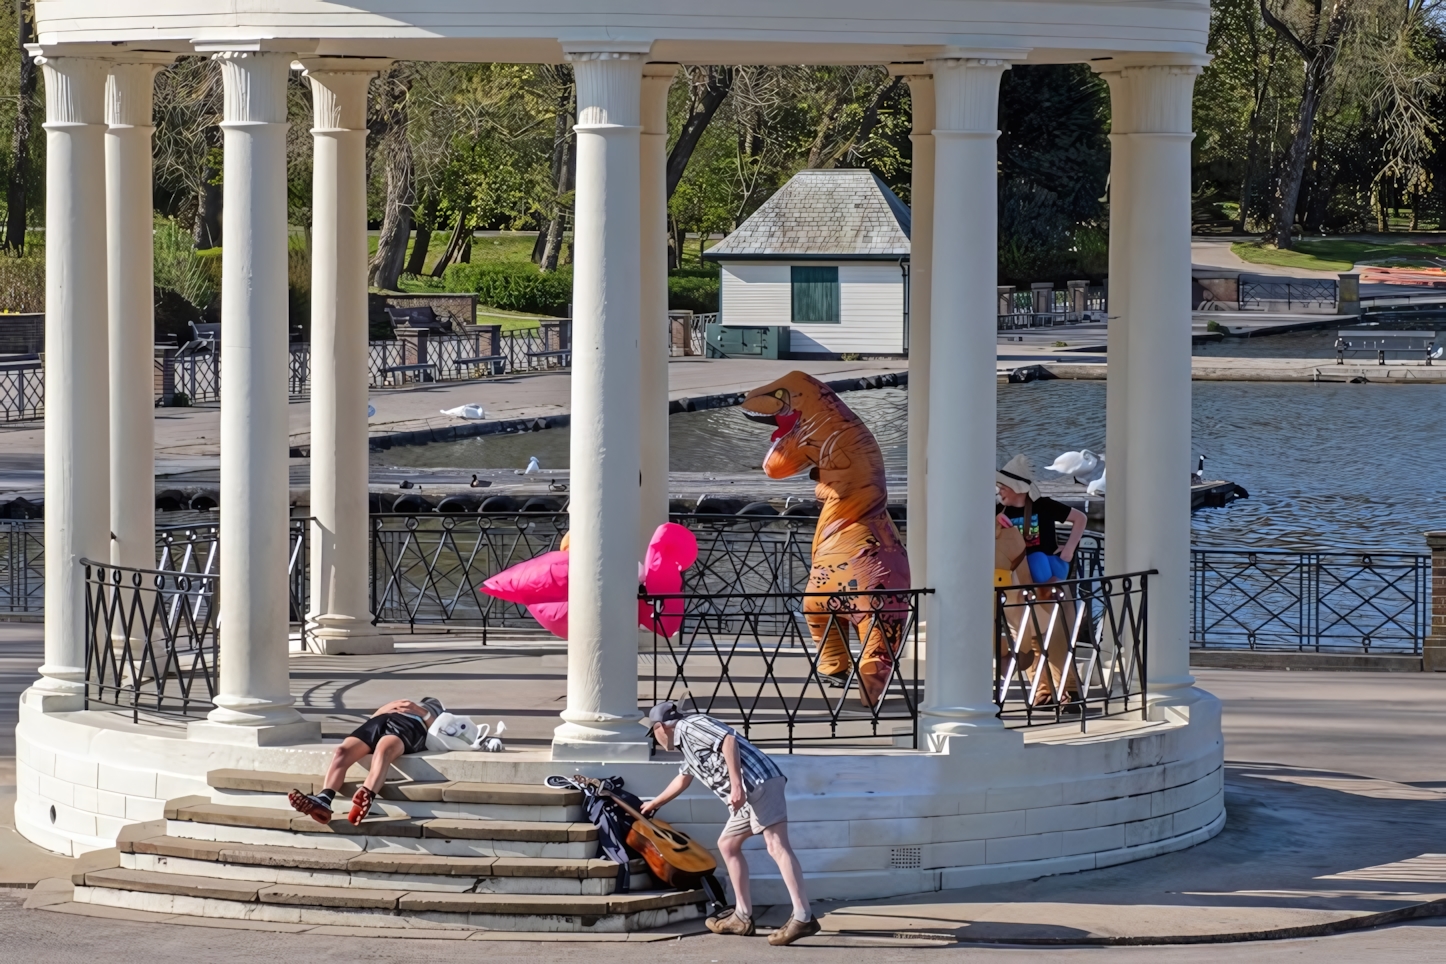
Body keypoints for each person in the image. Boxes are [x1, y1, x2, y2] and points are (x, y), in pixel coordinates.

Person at [639, 702, 819, 946]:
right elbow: (683, 778)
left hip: (758, 783)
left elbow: (728, 740)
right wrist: (654, 803)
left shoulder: (691, 726)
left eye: (654, 734)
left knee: (776, 845)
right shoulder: (687, 746)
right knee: (728, 845)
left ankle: (802, 916)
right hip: (747, 795)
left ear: (661, 727)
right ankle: (742, 917)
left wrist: (736, 786)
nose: (657, 740)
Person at [288, 696, 444, 826]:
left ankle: (367, 793)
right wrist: (385, 709)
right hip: (379, 721)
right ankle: (323, 799)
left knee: (383, 751)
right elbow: (373, 718)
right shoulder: (399, 704)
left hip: (409, 726)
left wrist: (422, 712)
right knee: (342, 751)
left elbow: (440, 733)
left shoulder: (435, 713)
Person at [996, 454, 1087, 584]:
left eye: (1003, 488)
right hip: (1021, 569)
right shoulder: (999, 511)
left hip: (1050, 563)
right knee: (1035, 559)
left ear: (1017, 488)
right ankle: (1048, 597)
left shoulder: (1044, 505)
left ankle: (1046, 597)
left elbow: (1080, 518)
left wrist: (1069, 549)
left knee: (1037, 558)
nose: (999, 492)